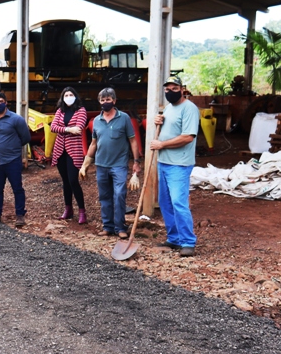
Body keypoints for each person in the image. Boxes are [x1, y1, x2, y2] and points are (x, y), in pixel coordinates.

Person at [80, 87, 141, 239]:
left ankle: (120, 227)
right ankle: (107, 226)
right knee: (104, 196)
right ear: (99, 102)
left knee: (119, 194)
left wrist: (136, 162)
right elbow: (93, 143)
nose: (105, 102)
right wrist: (85, 164)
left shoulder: (124, 118)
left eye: (108, 99)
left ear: (114, 101)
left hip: (119, 164)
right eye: (102, 100)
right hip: (101, 165)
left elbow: (132, 140)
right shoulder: (96, 122)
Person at [150, 76, 199, 257]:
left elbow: (188, 137)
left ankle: (188, 242)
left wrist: (161, 145)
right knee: (165, 202)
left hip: (179, 164)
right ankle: (174, 239)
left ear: (182, 89)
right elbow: (170, 131)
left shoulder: (190, 109)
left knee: (179, 202)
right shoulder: (169, 108)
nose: (170, 91)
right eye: (167, 88)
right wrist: (159, 123)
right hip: (164, 161)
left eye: (174, 88)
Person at [0, 92, 31, 227]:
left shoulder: (16, 119)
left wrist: (13, 148)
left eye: (1, 101)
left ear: (6, 102)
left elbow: (26, 138)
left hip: (12, 160)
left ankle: (20, 215)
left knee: (17, 188)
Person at [50, 86, 88, 224]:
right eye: (66, 95)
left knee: (73, 180)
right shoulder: (60, 111)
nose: (68, 97)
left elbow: (79, 129)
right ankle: (68, 209)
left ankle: (82, 211)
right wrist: (68, 129)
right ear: (62, 98)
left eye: (71, 94)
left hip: (74, 150)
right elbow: (53, 127)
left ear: (76, 96)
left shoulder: (81, 111)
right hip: (60, 149)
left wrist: (67, 130)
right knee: (65, 181)